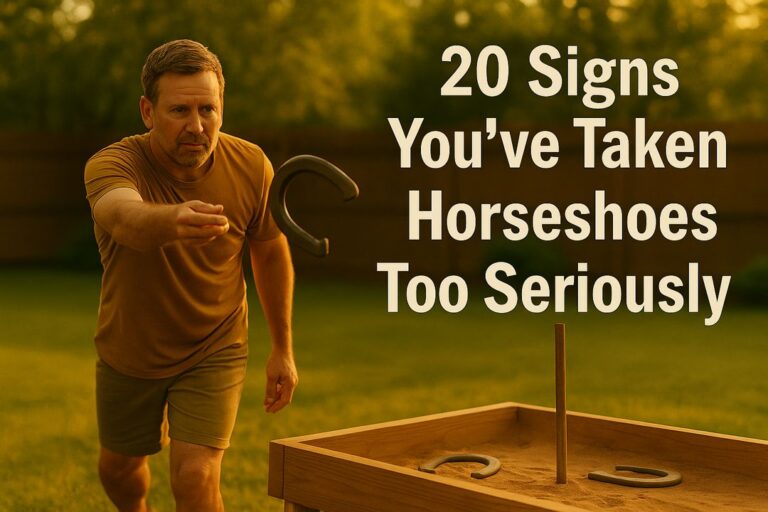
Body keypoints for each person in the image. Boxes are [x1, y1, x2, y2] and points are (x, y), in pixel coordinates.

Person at [84, 39, 297, 512]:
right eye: (180, 110)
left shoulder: (251, 165)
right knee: (118, 471)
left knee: (196, 476)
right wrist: (173, 220)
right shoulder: (114, 164)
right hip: (131, 347)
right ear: (147, 110)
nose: (196, 126)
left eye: (208, 109)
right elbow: (122, 218)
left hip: (215, 344)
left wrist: (282, 348)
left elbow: (269, 248)